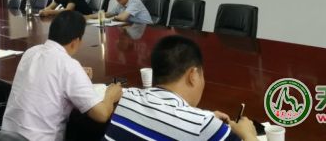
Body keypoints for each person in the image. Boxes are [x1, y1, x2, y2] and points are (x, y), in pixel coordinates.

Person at [103, 35, 258, 141]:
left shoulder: (127, 97)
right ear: (193, 75)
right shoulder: (203, 126)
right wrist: (249, 134)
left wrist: (203, 115)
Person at [2, 11, 122, 141]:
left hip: (5, 137)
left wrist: (76, 75)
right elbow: (101, 115)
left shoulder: (30, 52)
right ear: (76, 41)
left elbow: (47, 74)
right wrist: (111, 95)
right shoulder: (69, 66)